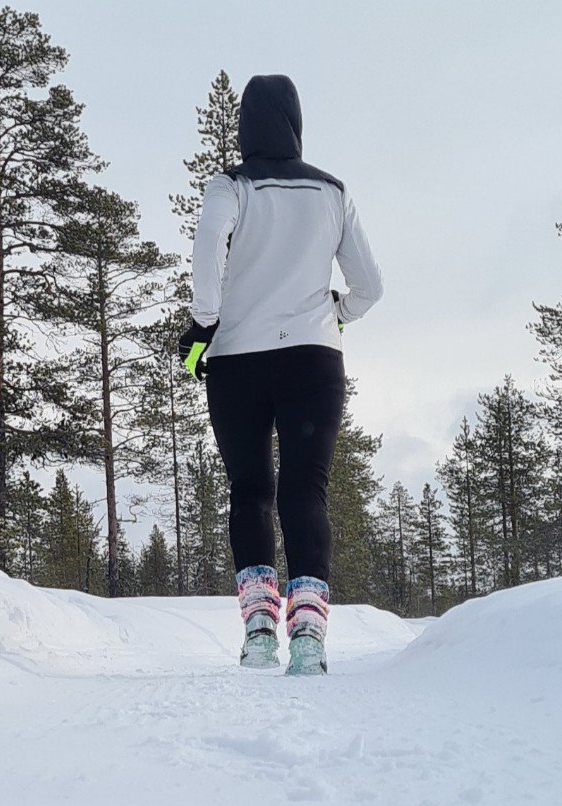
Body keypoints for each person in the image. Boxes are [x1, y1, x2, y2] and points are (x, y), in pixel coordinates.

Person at [178, 74, 383, 676]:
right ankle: (311, 637)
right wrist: (337, 314)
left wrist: (205, 320)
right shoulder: (332, 192)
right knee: (305, 490)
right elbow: (371, 285)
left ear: (245, 125)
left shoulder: (230, 185)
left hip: (237, 359)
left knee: (250, 489)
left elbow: (208, 241)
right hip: (312, 360)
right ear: (296, 123)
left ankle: (262, 627)